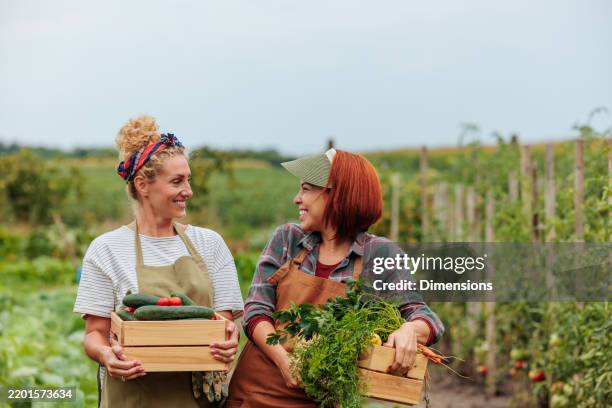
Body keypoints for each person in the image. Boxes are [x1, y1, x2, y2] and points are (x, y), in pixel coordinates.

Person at [228, 148, 444, 407]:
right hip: (254, 393)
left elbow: (425, 317)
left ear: (336, 194)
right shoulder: (288, 239)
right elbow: (256, 311)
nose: (297, 199)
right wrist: (283, 361)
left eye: (306, 189)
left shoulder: (377, 254)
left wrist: (410, 329)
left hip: (321, 399)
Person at [73, 115, 244, 408]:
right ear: (142, 184)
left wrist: (229, 338)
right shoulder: (107, 249)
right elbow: (94, 335)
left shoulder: (210, 244)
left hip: (199, 399)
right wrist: (106, 355)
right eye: (177, 181)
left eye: (188, 180)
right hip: (133, 397)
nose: (188, 191)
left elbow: (227, 322)